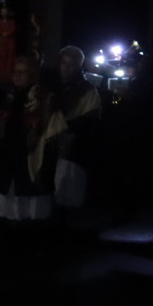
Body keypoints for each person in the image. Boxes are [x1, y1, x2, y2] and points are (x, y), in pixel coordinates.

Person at [0, 55, 66, 222]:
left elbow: (54, 133)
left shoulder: (44, 99)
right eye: (15, 71)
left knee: (31, 211)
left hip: (32, 159)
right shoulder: (8, 97)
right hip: (9, 158)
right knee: (8, 212)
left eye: (23, 72)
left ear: (32, 74)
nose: (17, 75)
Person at [52, 46, 101, 209]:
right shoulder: (51, 85)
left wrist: (66, 127)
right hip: (50, 145)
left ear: (79, 66)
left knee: (68, 194)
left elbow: (90, 118)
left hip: (72, 148)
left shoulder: (87, 90)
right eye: (64, 63)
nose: (66, 68)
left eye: (71, 64)